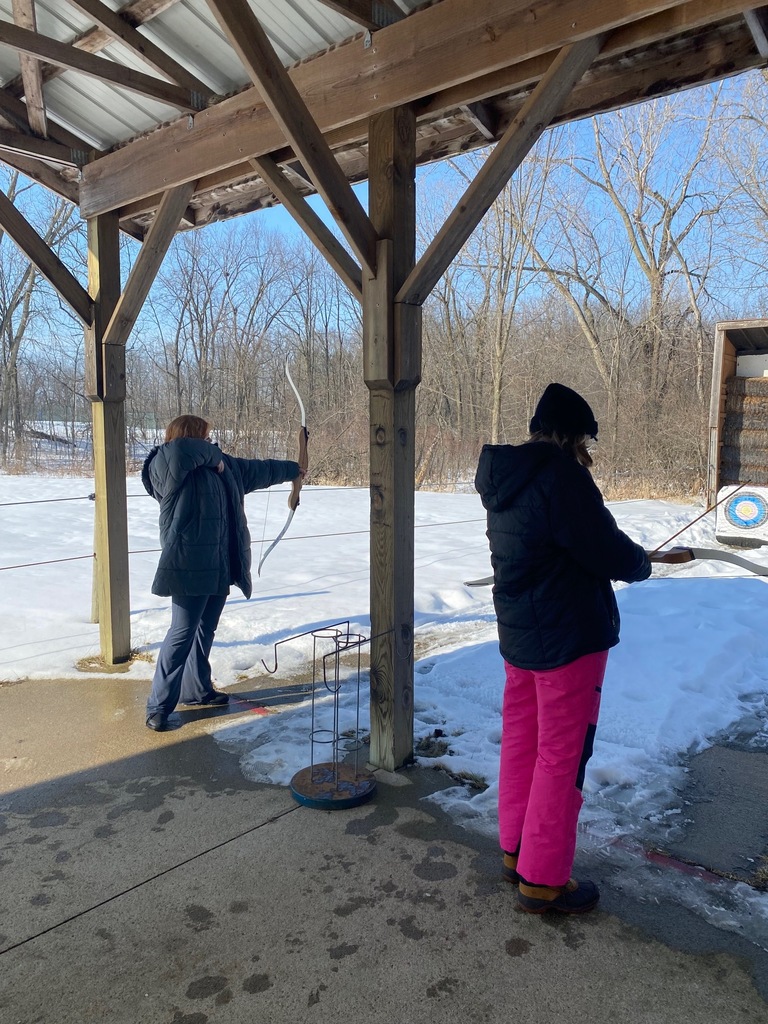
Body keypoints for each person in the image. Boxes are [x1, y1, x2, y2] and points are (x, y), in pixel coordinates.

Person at [474, 383, 651, 914]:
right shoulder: (563, 478)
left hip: (520, 636)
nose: (585, 451)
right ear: (572, 436)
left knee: (522, 743)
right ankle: (544, 879)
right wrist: (639, 563)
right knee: (561, 758)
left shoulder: (507, 477)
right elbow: (604, 548)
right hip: (569, 640)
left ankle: (516, 853)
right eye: (584, 441)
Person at [141, 414, 303, 732]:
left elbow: (259, 470)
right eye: (205, 437)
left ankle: (196, 690)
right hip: (188, 563)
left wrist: (294, 470)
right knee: (181, 633)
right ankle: (157, 706)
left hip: (219, 563)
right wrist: (213, 455)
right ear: (190, 435)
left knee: (205, 630)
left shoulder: (223, 466)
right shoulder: (167, 463)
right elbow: (180, 452)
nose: (210, 442)